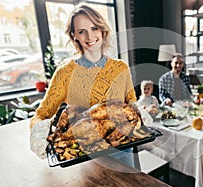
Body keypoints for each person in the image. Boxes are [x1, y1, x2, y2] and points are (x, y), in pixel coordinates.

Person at [29, 3, 137, 159]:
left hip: (122, 149)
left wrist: (140, 111)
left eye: (94, 29)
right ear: (74, 35)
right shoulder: (64, 74)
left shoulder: (121, 68)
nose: (89, 37)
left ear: (102, 30)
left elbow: (131, 104)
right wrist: (38, 133)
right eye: (82, 31)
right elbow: (41, 115)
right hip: (84, 156)